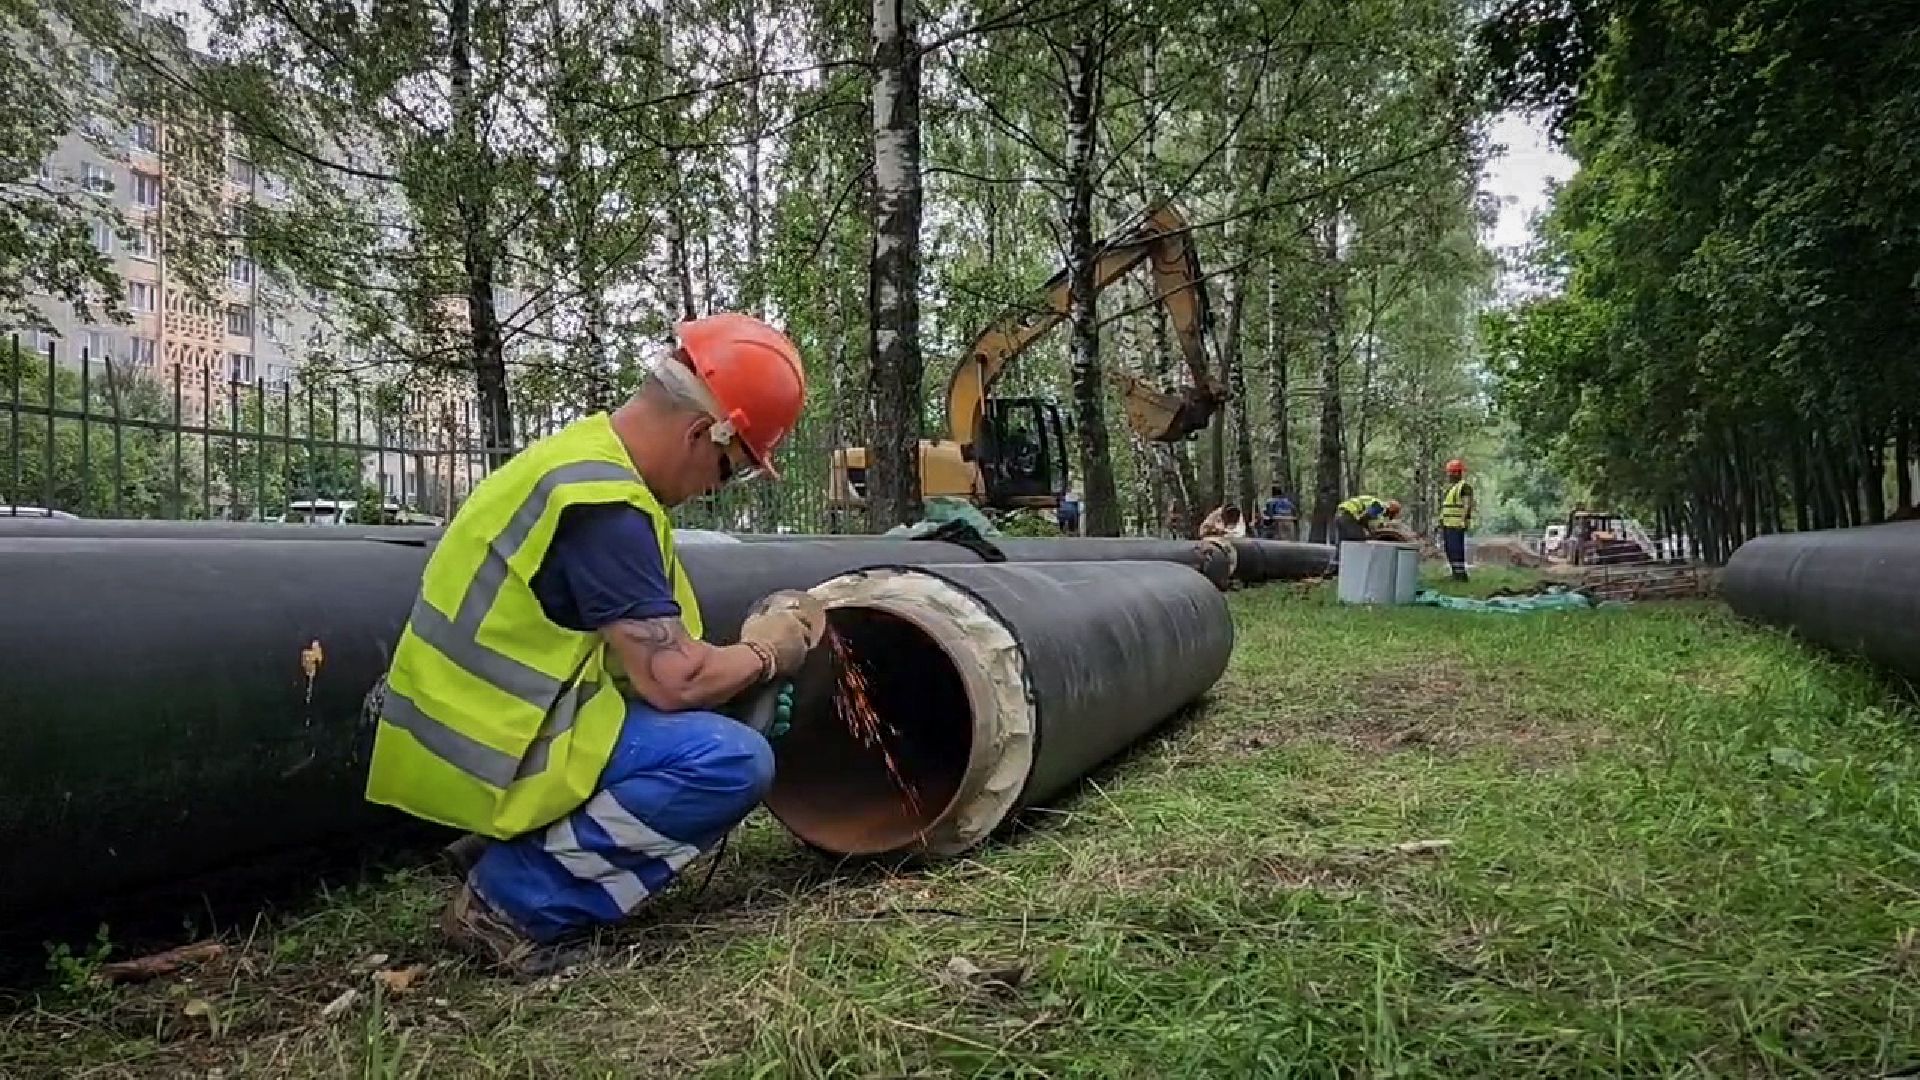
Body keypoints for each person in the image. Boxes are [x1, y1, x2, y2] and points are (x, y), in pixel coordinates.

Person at [363, 313, 824, 974]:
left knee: (698, 728)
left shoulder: (584, 459)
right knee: (729, 761)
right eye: (729, 472)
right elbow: (675, 681)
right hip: (492, 742)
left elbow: (640, 666)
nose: (712, 493)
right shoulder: (604, 508)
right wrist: (768, 652)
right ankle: (512, 903)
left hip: (493, 721)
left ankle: (524, 850)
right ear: (701, 432)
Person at [1438, 458, 1474, 582]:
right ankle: (1455, 574)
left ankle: (1460, 576)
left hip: (1456, 524)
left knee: (1456, 549)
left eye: (1450, 472)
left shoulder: (1464, 487)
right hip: (1448, 524)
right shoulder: (1453, 488)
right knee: (1450, 549)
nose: (1448, 475)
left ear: (1456, 473)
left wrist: (1464, 520)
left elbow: (1467, 504)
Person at [1333, 494, 1401, 542]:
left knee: (1343, 541)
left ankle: (1338, 560)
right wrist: (1370, 532)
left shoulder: (1377, 504)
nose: (1387, 516)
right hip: (1348, 514)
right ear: (1390, 509)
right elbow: (1364, 517)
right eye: (1389, 515)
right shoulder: (1379, 506)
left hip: (1339, 514)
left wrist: (1367, 529)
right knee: (1360, 539)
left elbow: (1364, 519)